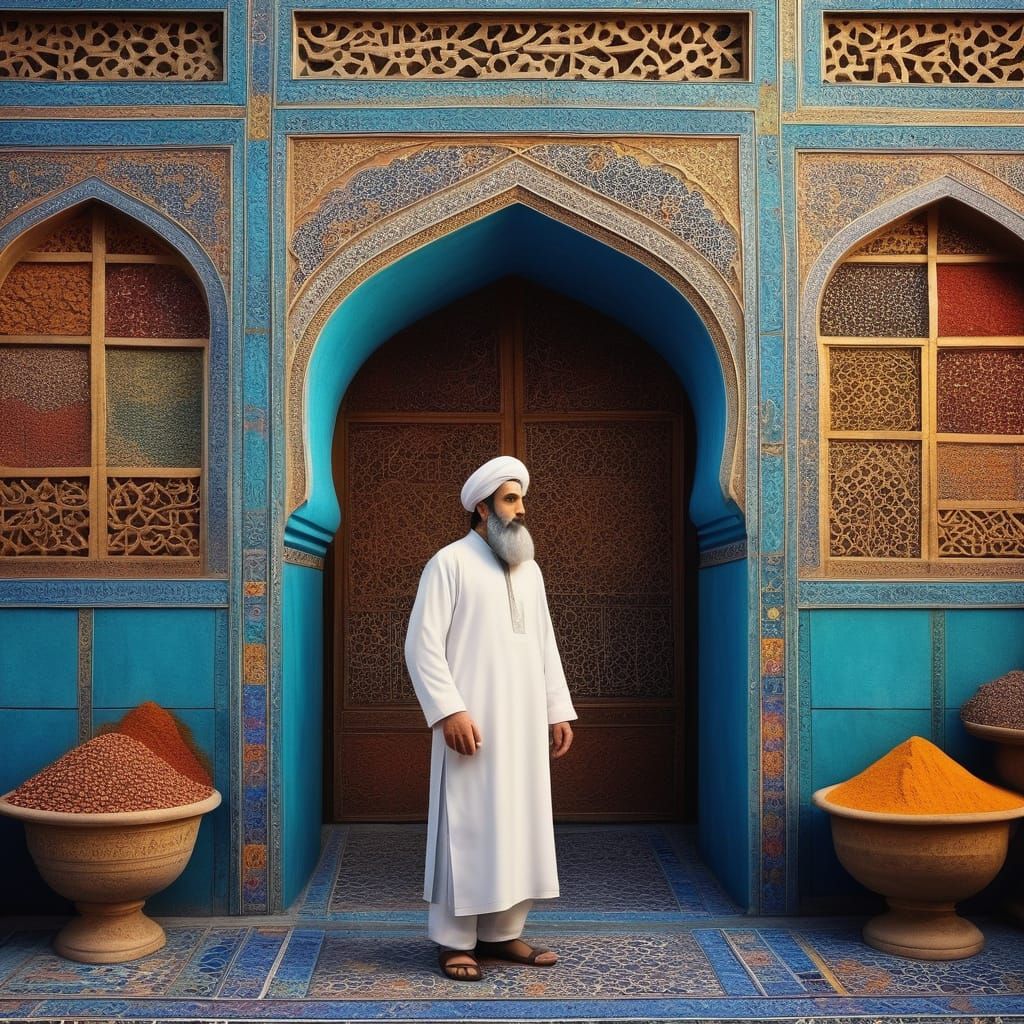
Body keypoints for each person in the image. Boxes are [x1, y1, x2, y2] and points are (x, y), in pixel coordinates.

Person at [404, 455, 577, 982]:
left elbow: (545, 643)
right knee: (468, 826)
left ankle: (503, 933)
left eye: (521, 499)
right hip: (471, 726)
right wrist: (449, 710)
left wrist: (556, 709)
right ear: (482, 508)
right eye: (509, 499)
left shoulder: (530, 569)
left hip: (522, 728)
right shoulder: (448, 563)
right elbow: (421, 645)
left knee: (517, 823)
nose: (520, 509)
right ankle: (455, 941)